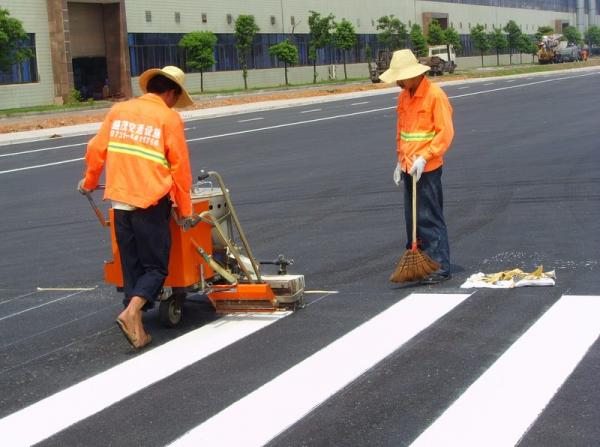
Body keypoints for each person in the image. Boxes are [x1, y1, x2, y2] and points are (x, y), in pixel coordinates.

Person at [78, 66, 194, 348]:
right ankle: (131, 311)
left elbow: (95, 149)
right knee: (155, 268)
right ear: (170, 92)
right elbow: (179, 167)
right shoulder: (169, 118)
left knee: (132, 268)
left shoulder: (119, 110)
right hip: (150, 202)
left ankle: (138, 331)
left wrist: (90, 180)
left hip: (119, 201)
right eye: (174, 98)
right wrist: (185, 208)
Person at [380, 50, 454, 284]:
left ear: (414, 75)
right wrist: (399, 160)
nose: (398, 83)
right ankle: (422, 263)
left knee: (429, 218)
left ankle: (439, 266)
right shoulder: (404, 97)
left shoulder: (435, 95)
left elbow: (445, 132)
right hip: (408, 166)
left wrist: (425, 157)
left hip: (427, 168)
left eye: (401, 78)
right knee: (412, 220)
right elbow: (403, 132)